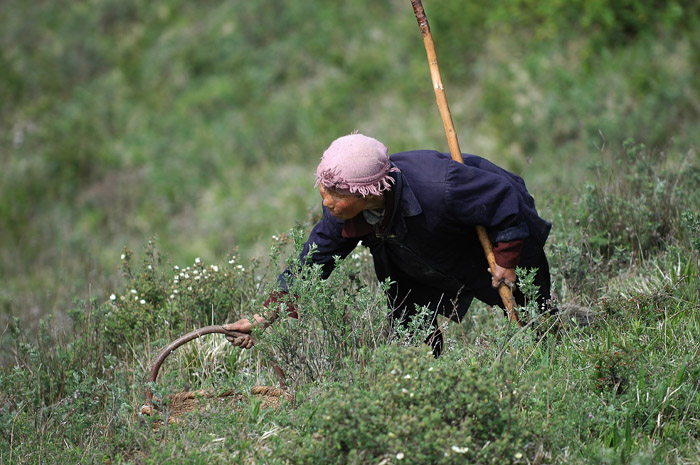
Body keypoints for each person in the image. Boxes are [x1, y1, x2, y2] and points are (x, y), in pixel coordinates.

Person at [225, 133, 553, 356]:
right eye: (324, 189)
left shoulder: (442, 186)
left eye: (336, 193)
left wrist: (506, 259)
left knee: (538, 319)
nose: (326, 201)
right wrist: (265, 316)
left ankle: (560, 347)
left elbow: (503, 200)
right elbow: (313, 263)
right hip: (412, 263)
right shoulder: (344, 214)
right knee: (411, 343)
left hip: (487, 243)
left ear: (369, 192)